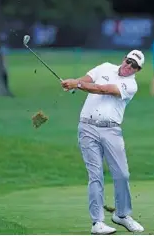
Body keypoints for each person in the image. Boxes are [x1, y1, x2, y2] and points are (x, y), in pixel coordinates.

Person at [61, 50, 145, 235]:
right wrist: (73, 83)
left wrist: (78, 84)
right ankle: (97, 222)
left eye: (134, 66)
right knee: (95, 175)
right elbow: (87, 79)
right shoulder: (105, 67)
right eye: (129, 61)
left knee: (122, 174)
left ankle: (122, 215)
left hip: (111, 130)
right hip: (87, 127)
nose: (129, 66)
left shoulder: (131, 85)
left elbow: (103, 89)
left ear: (137, 70)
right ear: (124, 59)